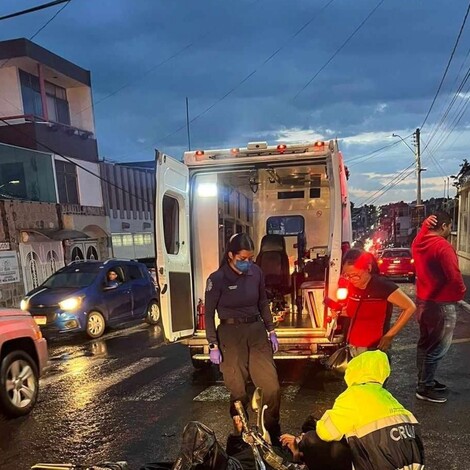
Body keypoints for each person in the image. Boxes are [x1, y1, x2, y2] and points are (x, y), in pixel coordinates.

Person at [280, 351, 425, 470]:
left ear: (353, 371)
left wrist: (300, 442)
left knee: (311, 438)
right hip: (412, 466)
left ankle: (299, 458)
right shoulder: (390, 399)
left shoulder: (354, 395)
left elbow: (325, 433)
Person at [204, 233, 281, 443]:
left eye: (250, 258)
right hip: (230, 335)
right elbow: (209, 314)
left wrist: (271, 330)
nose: (247, 263)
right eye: (243, 259)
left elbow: (263, 302)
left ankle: (271, 430)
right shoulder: (217, 279)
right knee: (238, 387)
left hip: (256, 332)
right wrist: (213, 344)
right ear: (231, 255)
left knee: (271, 386)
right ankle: (240, 430)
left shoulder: (256, 272)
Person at [411, 212, 466, 403]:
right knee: (438, 347)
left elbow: (419, 237)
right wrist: (460, 292)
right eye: (450, 227)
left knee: (425, 344)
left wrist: (425, 226)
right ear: (443, 226)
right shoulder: (443, 247)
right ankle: (425, 387)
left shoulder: (419, 244)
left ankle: (424, 381)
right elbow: (454, 275)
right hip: (441, 305)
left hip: (423, 302)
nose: (450, 230)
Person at [340, 248, 416, 357]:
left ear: (368, 268)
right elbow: (354, 311)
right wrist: (340, 311)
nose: (352, 279)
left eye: (355, 274)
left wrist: (390, 335)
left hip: (373, 348)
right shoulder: (352, 286)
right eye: (347, 275)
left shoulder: (382, 285)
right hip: (352, 346)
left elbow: (410, 307)